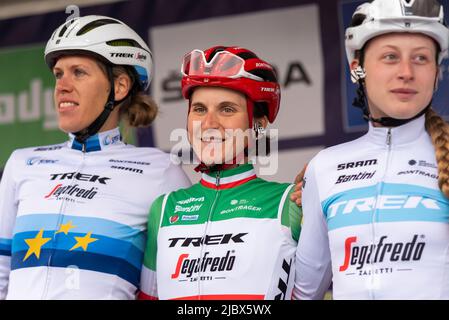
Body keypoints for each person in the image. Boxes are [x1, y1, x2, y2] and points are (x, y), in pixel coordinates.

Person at [0, 15, 191, 299]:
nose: (61, 86)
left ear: (120, 87)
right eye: (59, 74)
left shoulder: (162, 171)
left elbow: (180, 285)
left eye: (78, 72)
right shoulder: (22, 163)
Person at [293, 0, 449, 300]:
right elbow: (303, 292)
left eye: (420, 58)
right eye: (390, 57)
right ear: (357, 68)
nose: (406, 72)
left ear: (436, 72)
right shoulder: (325, 166)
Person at [138, 46, 301, 300]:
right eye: (200, 109)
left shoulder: (289, 202)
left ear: (257, 123)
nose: (209, 124)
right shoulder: (165, 208)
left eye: (227, 109)